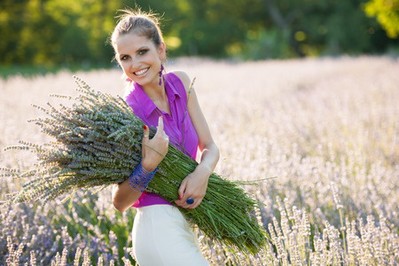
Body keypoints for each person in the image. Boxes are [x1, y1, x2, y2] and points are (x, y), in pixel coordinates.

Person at [110, 8, 220, 266]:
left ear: (160, 50)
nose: (135, 64)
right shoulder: (126, 114)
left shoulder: (181, 83)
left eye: (142, 52)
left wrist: (201, 173)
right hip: (156, 228)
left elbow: (211, 146)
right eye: (125, 57)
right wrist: (149, 164)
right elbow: (120, 202)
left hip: (186, 222)